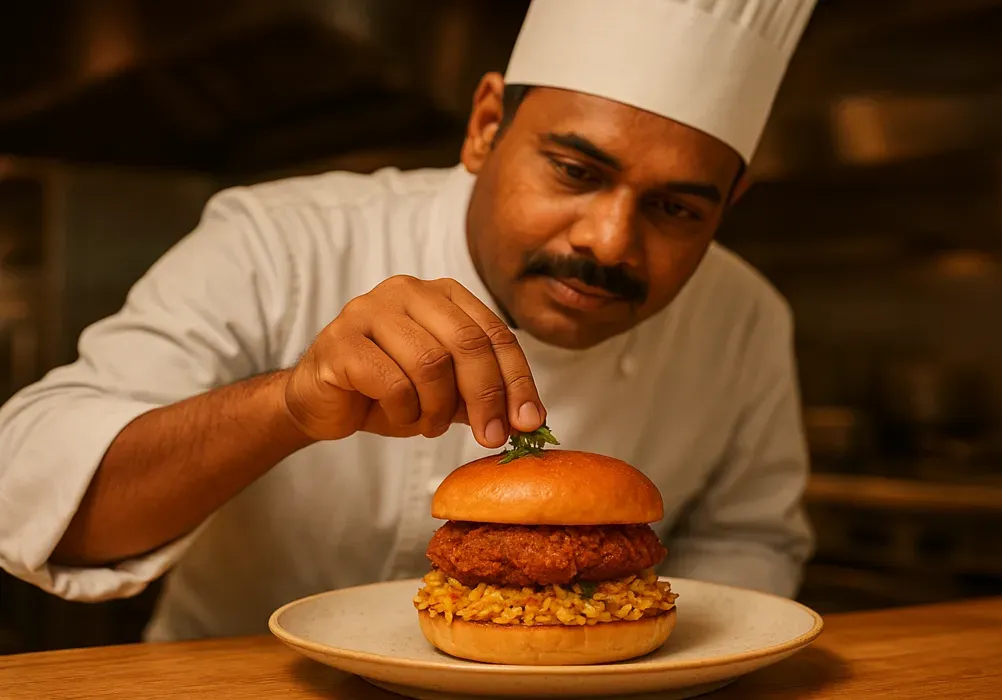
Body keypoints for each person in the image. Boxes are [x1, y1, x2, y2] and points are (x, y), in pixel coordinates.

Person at [0, 0, 819, 642]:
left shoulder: (744, 317)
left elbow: (750, 536)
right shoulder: (277, 243)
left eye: (676, 209)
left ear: (728, 208)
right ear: (486, 125)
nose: (608, 241)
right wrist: (286, 405)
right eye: (574, 171)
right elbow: (28, 490)